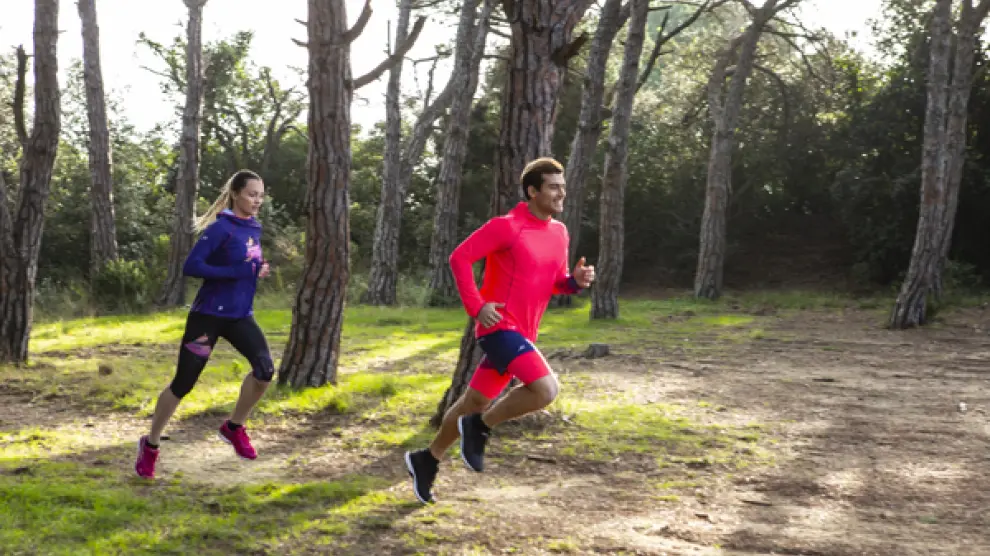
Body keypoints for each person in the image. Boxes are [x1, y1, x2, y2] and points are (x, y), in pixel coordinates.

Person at [404, 157, 596, 503]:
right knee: (546, 390)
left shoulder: (559, 232)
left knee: (474, 401)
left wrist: (575, 282)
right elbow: (459, 258)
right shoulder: (507, 227)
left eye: (563, 187)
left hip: (524, 333)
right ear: (533, 191)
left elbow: (555, 281)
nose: (561, 193)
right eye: (553, 187)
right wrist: (477, 306)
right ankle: (480, 426)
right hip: (499, 329)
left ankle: (427, 460)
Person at [135, 169, 275, 479]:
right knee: (183, 383)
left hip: (240, 316)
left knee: (264, 371)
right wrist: (236, 272)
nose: (257, 201)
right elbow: (192, 266)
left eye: (261, 196)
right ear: (236, 194)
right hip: (208, 317)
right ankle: (151, 444)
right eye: (252, 194)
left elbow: (246, 264)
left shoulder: (253, 227)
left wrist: (258, 268)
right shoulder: (220, 228)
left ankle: (234, 427)